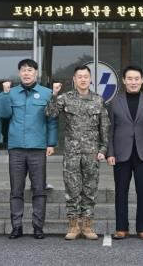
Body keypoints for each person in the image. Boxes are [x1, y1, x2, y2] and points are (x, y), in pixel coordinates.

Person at [46, 65, 110, 241]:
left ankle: (87, 225)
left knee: (90, 190)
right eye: (79, 76)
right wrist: (54, 94)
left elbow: (104, 127)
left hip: (91, 153)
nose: (83, 79)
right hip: (72, 153)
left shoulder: (98, 100)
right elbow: (50, 113)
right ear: (74, 79)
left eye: (85, 76)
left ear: (90, 79)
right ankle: (73, 225)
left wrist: (103, 149)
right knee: (72, 190)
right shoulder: (65, 98)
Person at [0, 59, 58, 240]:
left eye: (30, 70)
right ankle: (16, 226)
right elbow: (3, 114)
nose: (26, 73)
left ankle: (38, 227)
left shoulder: (46, 93)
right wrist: (5, 94)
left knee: (39, 190)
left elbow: (52, 120)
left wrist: (51, 143)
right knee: (16, 190)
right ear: (19, 73)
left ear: (36, 73)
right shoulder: (11, 93)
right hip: (16, 147)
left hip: (37, 147)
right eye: (23, 70)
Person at [106, 65, 143, 241]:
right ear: (124, 80)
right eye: (130, 79)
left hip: (142, 153)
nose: (133, 82)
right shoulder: (115, 102)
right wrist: (110, 153)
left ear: (142, 80)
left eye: (136, 79)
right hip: (121, 153)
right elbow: (109, 130)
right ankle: (121, 228)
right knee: (120, 192)